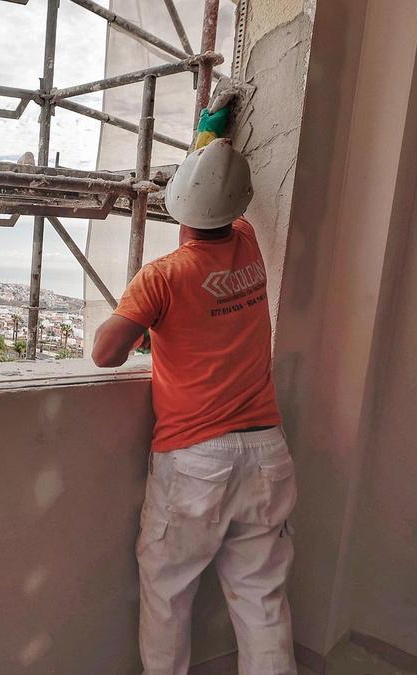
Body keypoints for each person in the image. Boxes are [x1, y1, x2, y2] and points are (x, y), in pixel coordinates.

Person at [92, 138, 297, 675]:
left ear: (176, 203)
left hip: (196, 460)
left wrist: (145, 317)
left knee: (167, 593)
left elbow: (105, 353)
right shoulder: (249, 244)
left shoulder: (163, 276)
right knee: (262, 601)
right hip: (267, 453)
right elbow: (222, 198)